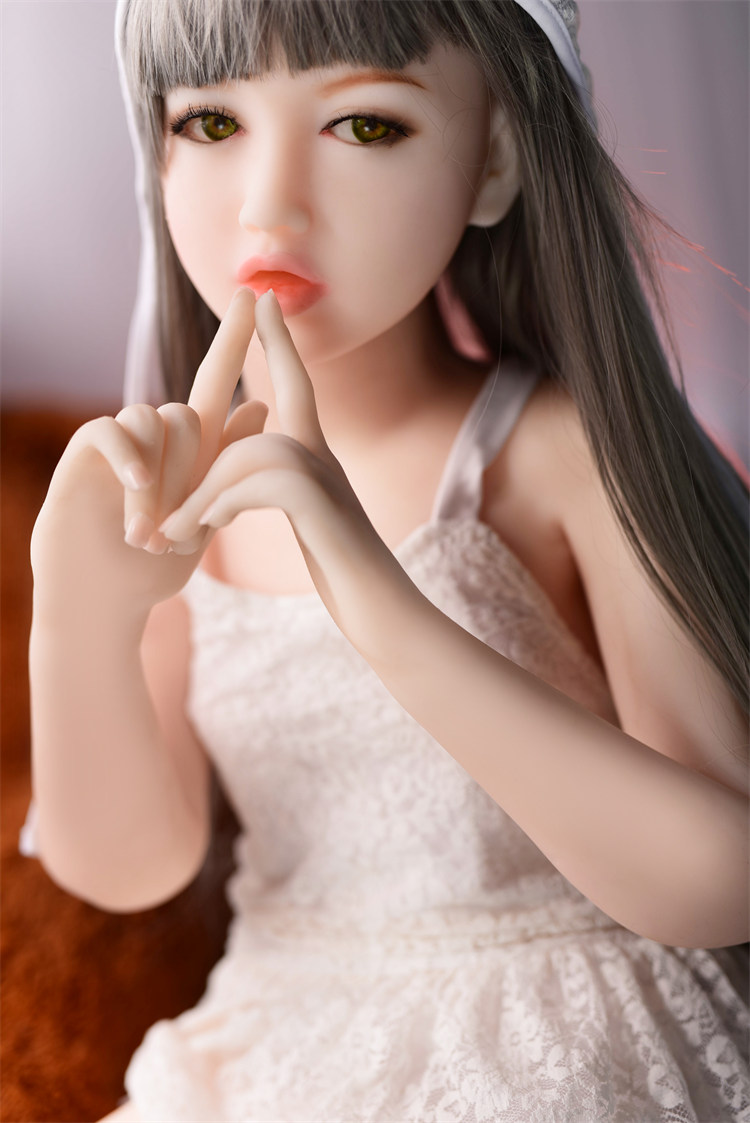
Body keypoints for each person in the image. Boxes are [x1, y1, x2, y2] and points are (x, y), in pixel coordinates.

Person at [21, 0, 749, 1119]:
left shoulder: (554, 453)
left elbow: (719, 877)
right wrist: (81, 620)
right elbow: (131, 867)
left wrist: (376, 596)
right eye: (210, 123)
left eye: (366, 126)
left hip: (546, 1035)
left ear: (495, 159)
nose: (271, 205)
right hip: (272, 1036)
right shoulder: (175, 489)